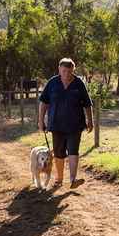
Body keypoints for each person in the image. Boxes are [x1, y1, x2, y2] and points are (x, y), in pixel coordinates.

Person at [38, 58, 93, 189]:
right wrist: (40, 120)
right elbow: (44, 103)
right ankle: (59, 178)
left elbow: (87, 104)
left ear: (73, 70)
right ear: (59, 70)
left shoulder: (79, 83)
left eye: (69, 72)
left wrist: (90, 121)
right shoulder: (52, 83)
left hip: (75, 124)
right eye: (64, 71)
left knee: (73, 150)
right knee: (58, 153)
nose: (67, 74)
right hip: (56, 124)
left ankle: (73, 179)